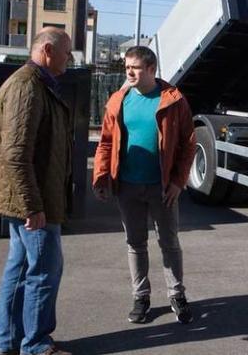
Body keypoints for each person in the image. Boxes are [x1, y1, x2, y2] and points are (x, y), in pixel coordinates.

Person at [0, 27, 74, 355]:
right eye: (66, 52)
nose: (70, 58)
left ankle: (11, 342)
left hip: (28, 197)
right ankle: (35, 345)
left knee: (20, 268)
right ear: (47, 50)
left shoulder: (35, 84)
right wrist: (33, 205)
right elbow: (16, 153)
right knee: (45, 270)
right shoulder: (27, 87)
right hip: (32, 200)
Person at [92, 45, 197, 324]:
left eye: (135, 67)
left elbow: (189, 145)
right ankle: (141, 297)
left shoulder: (173, 99)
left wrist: (177, 182)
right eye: (127, 66)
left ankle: (177, 294)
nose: (129, 71)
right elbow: (105, 143)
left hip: (162, 188)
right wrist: (101, 177)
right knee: (135, 243)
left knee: (169, 242)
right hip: (127, 186)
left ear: (151, 69)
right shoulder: (118, 100)